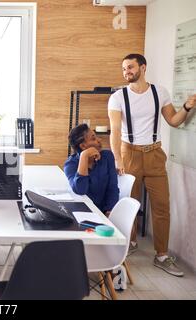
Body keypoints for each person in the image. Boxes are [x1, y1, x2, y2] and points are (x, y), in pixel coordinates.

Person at [108, 53, 196, 277]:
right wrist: (118, 159)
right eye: (124, 69)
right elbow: (116, 132)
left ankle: (162, 255)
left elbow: (174, 121)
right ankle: (131, 243)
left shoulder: (160, 92)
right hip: (130, 154)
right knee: (130, 203)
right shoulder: (118, 97)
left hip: (155, 154)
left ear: (143, 67)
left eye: (130, 67)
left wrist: (187, 106)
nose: (126, 72)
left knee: (162, 207)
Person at [64, 124, 119, 216]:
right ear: (83, 146)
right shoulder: (70, 164)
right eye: (93, 139)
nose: (99, 140)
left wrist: (109, 210)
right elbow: (80, 190)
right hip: (82, 213)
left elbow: (112, 188)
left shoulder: (107, 156)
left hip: (104, 212)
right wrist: (84, 157)